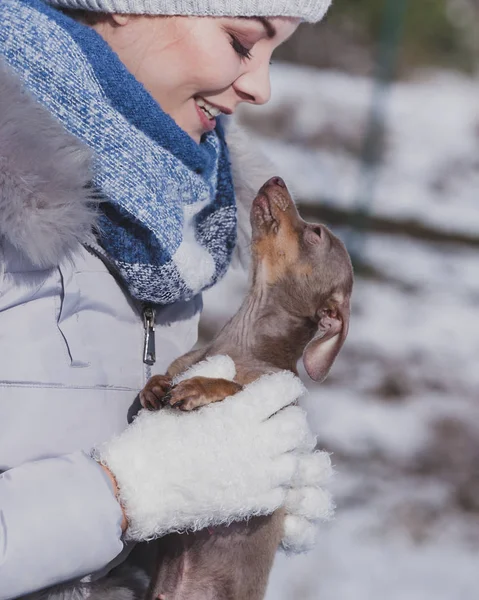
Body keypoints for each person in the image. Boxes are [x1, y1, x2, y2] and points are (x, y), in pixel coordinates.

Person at [0, 0, 333, 597]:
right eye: (240, 41)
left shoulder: (181, 218)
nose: (260, 86)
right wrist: (127, 493)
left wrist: (226, 508)